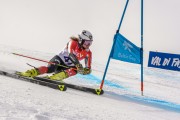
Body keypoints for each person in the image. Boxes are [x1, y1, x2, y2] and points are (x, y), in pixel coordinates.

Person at [18, 30, 93, 80]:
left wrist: (85, 71)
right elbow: (71, 55)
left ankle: (56, 77)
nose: (88, 45)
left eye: (90, 43)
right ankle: (31, 72)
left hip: (66, 67)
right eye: (86, 42)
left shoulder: (88, 53)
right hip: (59, 60)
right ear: (80, 40)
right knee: (51, 69)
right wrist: (78, 65)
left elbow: (88, 68)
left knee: (75, 70)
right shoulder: (73, 42)